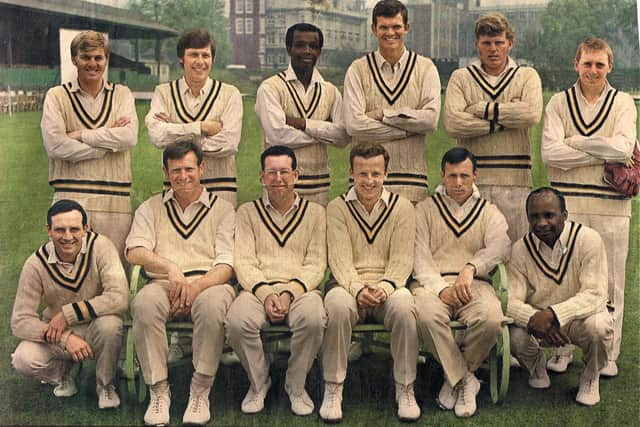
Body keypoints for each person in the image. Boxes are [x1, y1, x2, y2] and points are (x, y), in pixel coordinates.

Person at [541, 38, 636, 378]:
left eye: (599, 64)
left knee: (611, 284)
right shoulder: (558, 102)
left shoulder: (623, 102)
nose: (593, 70)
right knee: (566, 280)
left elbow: (624, 149)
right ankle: (563, 348)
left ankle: (608, 354)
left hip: (612, 206)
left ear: (609, 66)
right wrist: (601, 150)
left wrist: (575, 143)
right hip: (568, 204)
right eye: (587, 63)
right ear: (575, 63)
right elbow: (550, 154)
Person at [126, 139, 236, 426]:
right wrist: (171, 268)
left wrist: (195, 287)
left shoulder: (223, 209)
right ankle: (158, 390)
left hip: (209, 284)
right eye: (176, 170)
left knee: (213, 307)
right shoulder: (150, 207)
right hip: (165, 283)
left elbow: (227, 264)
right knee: (144, 304)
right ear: (165, 172)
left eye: (189, 169)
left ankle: (200, 391)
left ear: (202, 168)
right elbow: (134, 250)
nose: (183, 176)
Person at [321, 143, 419, 422]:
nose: (369, 180)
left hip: (390, 285)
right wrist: (358, 289)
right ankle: (333, 386)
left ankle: (405, 387)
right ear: (351, 173)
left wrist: (386, 287)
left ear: (386, 173)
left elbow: (402, 260)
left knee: (404, 308)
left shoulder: (402, 208)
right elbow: (339, 260)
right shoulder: (337, 207)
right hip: (347, 284)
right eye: (362, 174)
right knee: (337, 307)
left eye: (376, 173)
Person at [226, 145, 326, 416]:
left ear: (297, 174)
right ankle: (259, 382)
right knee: (237, 321)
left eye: (284, 172)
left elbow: (316, 264)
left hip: (301, 290)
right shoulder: (247, 212)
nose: (278, 178)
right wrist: (267, 293)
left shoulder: (316, 213)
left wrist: (289, 293)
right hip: (257, 289)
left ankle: (296, 384)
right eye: (271, 173)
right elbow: (244, 262)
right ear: (261, 176)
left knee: (314, 318)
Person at [411, 147, 511, 418]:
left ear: (475, 176)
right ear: (442, 175)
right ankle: (466, 380)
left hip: (474, 283)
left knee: (491, 319)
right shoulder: (424, 209)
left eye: (464, 176)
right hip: (432, 284)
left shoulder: (489, 211)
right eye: (452, 175)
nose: (458, 183)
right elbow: (418, 256)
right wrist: (441, 288)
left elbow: (501, 246)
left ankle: (454, 376)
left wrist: (471, 267)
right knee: (426, 317)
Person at [11, 200, 128, 409]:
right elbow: (20, 321)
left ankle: (106, 385)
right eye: (59, 229)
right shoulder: (36, 263)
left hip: (95, 326)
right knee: (23, 358)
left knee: (111, 326)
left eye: (74, 229)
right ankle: (64, 373)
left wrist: (68, 314)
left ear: (85, 228)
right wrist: (66, 339)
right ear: (48, 230)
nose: (67, 236)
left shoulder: (101, 246)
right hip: (58, 335)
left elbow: (119, 297)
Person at [507, 187, 613, 406]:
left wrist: (554, 314)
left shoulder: (588, 239)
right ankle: (536, 365)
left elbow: (595, 294)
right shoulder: (520, 249)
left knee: (599, 327)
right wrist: (534, 317)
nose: (541, 223)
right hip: (541, 324)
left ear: (564, 215)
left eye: (549, 215)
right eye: (534, 216)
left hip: (578, 320)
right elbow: (510, 301)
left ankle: (590, 377)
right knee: (513, 334)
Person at [444, 12, 542, 242]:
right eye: (486, 43)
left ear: (510, 43)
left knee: (517, 256)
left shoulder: (527, 76)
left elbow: (531, 114)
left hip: (516, 182)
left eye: (499, 42)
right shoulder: (461, 78)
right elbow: (453, 123)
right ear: (477, 45)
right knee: (471, 256)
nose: (493, 49)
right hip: (472, 184)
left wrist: (480, 109)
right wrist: (505, 120)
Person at [40, 30, 138, 260]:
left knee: (114, 274)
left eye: (98, 58)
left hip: (114, 200)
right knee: (68, 273)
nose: (92, 64)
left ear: (106, 59)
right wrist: (107, 143)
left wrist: (80, 134)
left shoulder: (122, 94)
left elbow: (129, 137)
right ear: (74, 59)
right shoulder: (56, 96)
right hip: (69, 196)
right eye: (86, 57)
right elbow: (56, 146)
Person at [342, 0, 441, 204]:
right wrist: (407, 129)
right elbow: (354, 125)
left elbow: (430, 120)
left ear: (406, 28)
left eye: (396, 27)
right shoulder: (358, 69)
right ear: (373, 29)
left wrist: (383, 115)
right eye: (383, 27)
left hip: (412, 184)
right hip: (366, 185)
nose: (390, 33)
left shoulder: (425, 68)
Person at [145, 29, 242, 207]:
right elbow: (157, 137)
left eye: (205, 55)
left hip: (220, 190)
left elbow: (229, 144)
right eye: (193, 55)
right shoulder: (163, 93)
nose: (200, 61)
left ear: (212, 59)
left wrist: (177, 132)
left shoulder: (230, 94)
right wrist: (200, 128)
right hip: (177, 191)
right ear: (181, 58)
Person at [255, 23, 349, 206]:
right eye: (300, 45)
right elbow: (277, 135)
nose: (307, 51)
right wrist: (323, 133)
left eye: (313, 46)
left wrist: (304, 124)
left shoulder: (330, 91)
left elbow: (344, 136)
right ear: (289, 49)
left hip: (319, 188)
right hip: (279, 186)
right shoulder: (270, 87)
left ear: (319, 52)